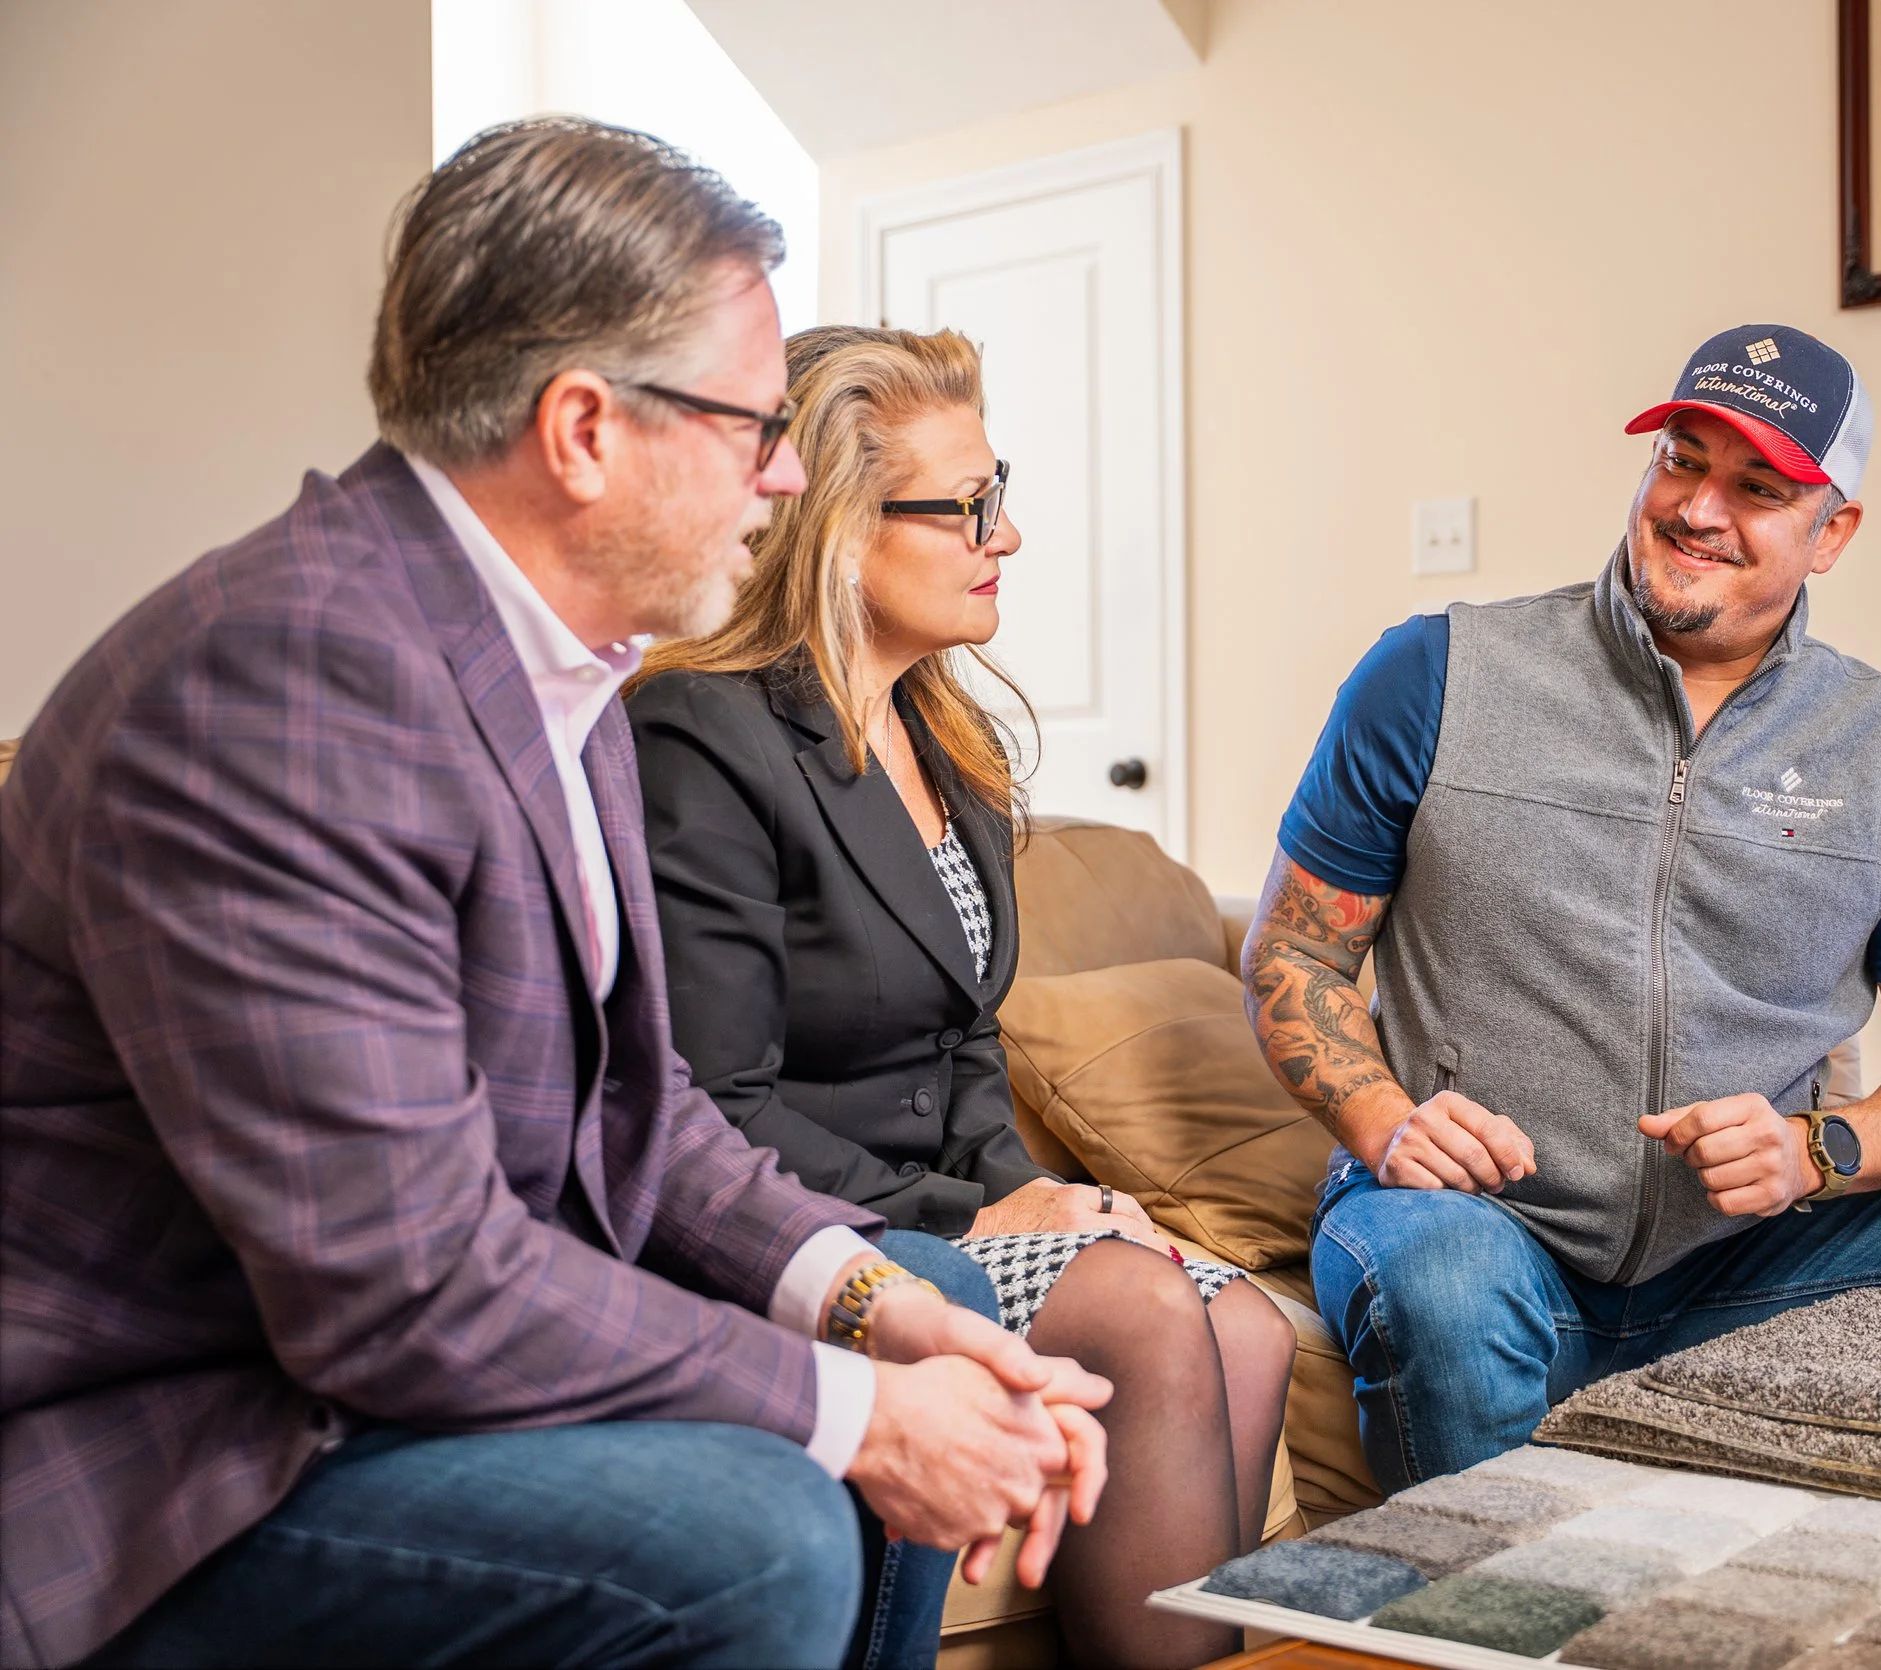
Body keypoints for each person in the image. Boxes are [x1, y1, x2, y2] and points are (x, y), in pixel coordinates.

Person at [0, 120, 1109, 1670]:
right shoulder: (284, 685)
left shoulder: (555, 671)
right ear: (584, 431)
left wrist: (879, 1310)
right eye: (752, 424)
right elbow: (402, 1286)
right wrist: (857, 1409)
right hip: (190, 1451)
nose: (786, 478)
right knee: (753, 1528)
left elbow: (637, 1111)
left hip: (354, 1385)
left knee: (918, 1289)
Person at [1243, 323, 1881, 1493]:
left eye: (1759, 488)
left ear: (1833, 532)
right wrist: (1383, 1118)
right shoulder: (1435, 673)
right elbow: (1294, 956)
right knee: (1442, 1280)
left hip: (1749, 1262)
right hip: (1480, 1228)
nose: (1698, 508)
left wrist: (1811, 1150)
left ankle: (1826, 1553)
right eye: (1681, 459)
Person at [626, 324, 1297, 1670]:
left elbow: (964, 1048)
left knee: (1250, 1320)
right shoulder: (701, 736)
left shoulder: (952, 739)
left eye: (1004, 490)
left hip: (952, 1207)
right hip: (819, 1230)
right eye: (970, 504)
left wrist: (1054, 1192)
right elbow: (711, 1102)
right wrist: (987, 1209)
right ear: (835, 526)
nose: (1009, 534)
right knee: (1149, 1312)